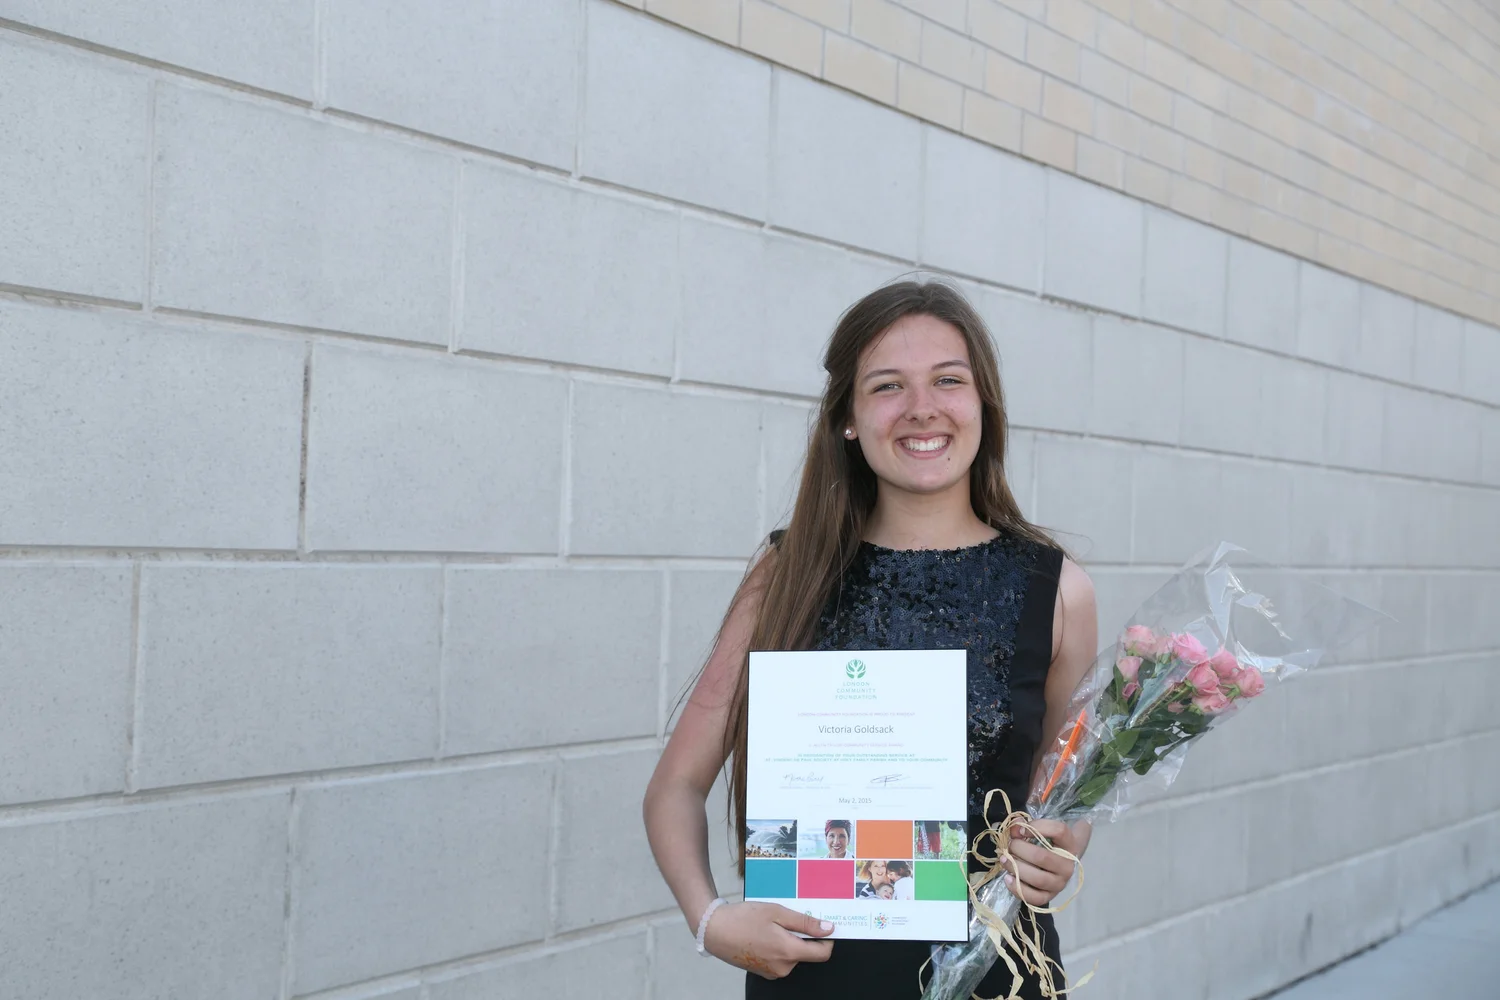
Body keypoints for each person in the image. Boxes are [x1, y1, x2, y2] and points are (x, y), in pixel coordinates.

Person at [642, 281, 1097, 998]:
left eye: (949, 380)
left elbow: (1063, 797)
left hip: (993, 976)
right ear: (849, 419)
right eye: (888, 386)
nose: (923, 408)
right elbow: (676, 785)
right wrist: (709, 920)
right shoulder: (787, 575)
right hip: (816, 974)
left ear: (984, 405)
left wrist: (1059, 851)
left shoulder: (1057, 589)